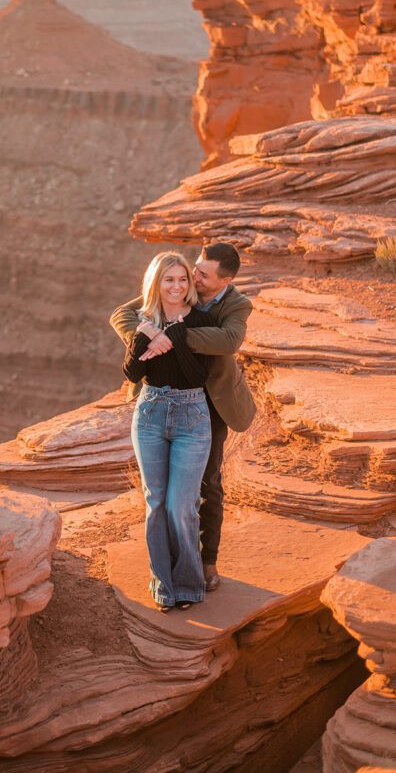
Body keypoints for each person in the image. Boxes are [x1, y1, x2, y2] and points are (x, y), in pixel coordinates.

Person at [110, 242, 256, 593]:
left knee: (207, 486)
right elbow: (123, 315)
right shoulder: (176, 286)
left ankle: (207, 563)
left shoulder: (237, 304)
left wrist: (174, 336)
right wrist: (149, 338)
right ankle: (169, 570)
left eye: (203, 274)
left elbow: (229, 340)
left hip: (211, 402)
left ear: (226, 280)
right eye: (197, 268)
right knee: (161, 497)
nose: (193, 277)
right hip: (162, 398)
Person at [123, 251, 216, 612]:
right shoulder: (144, 320)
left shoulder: (201, 319)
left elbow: (197, 377)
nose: (176, 286)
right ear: (155, 283)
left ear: (189, 284)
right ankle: (163, 584)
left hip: (191, 416)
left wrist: (174, 335)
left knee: (181, 505)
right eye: (168, 279)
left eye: (182, 279)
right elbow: (132, 373)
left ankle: (189, 584)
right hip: (150, 415)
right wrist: (145, 333)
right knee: (156, 503)